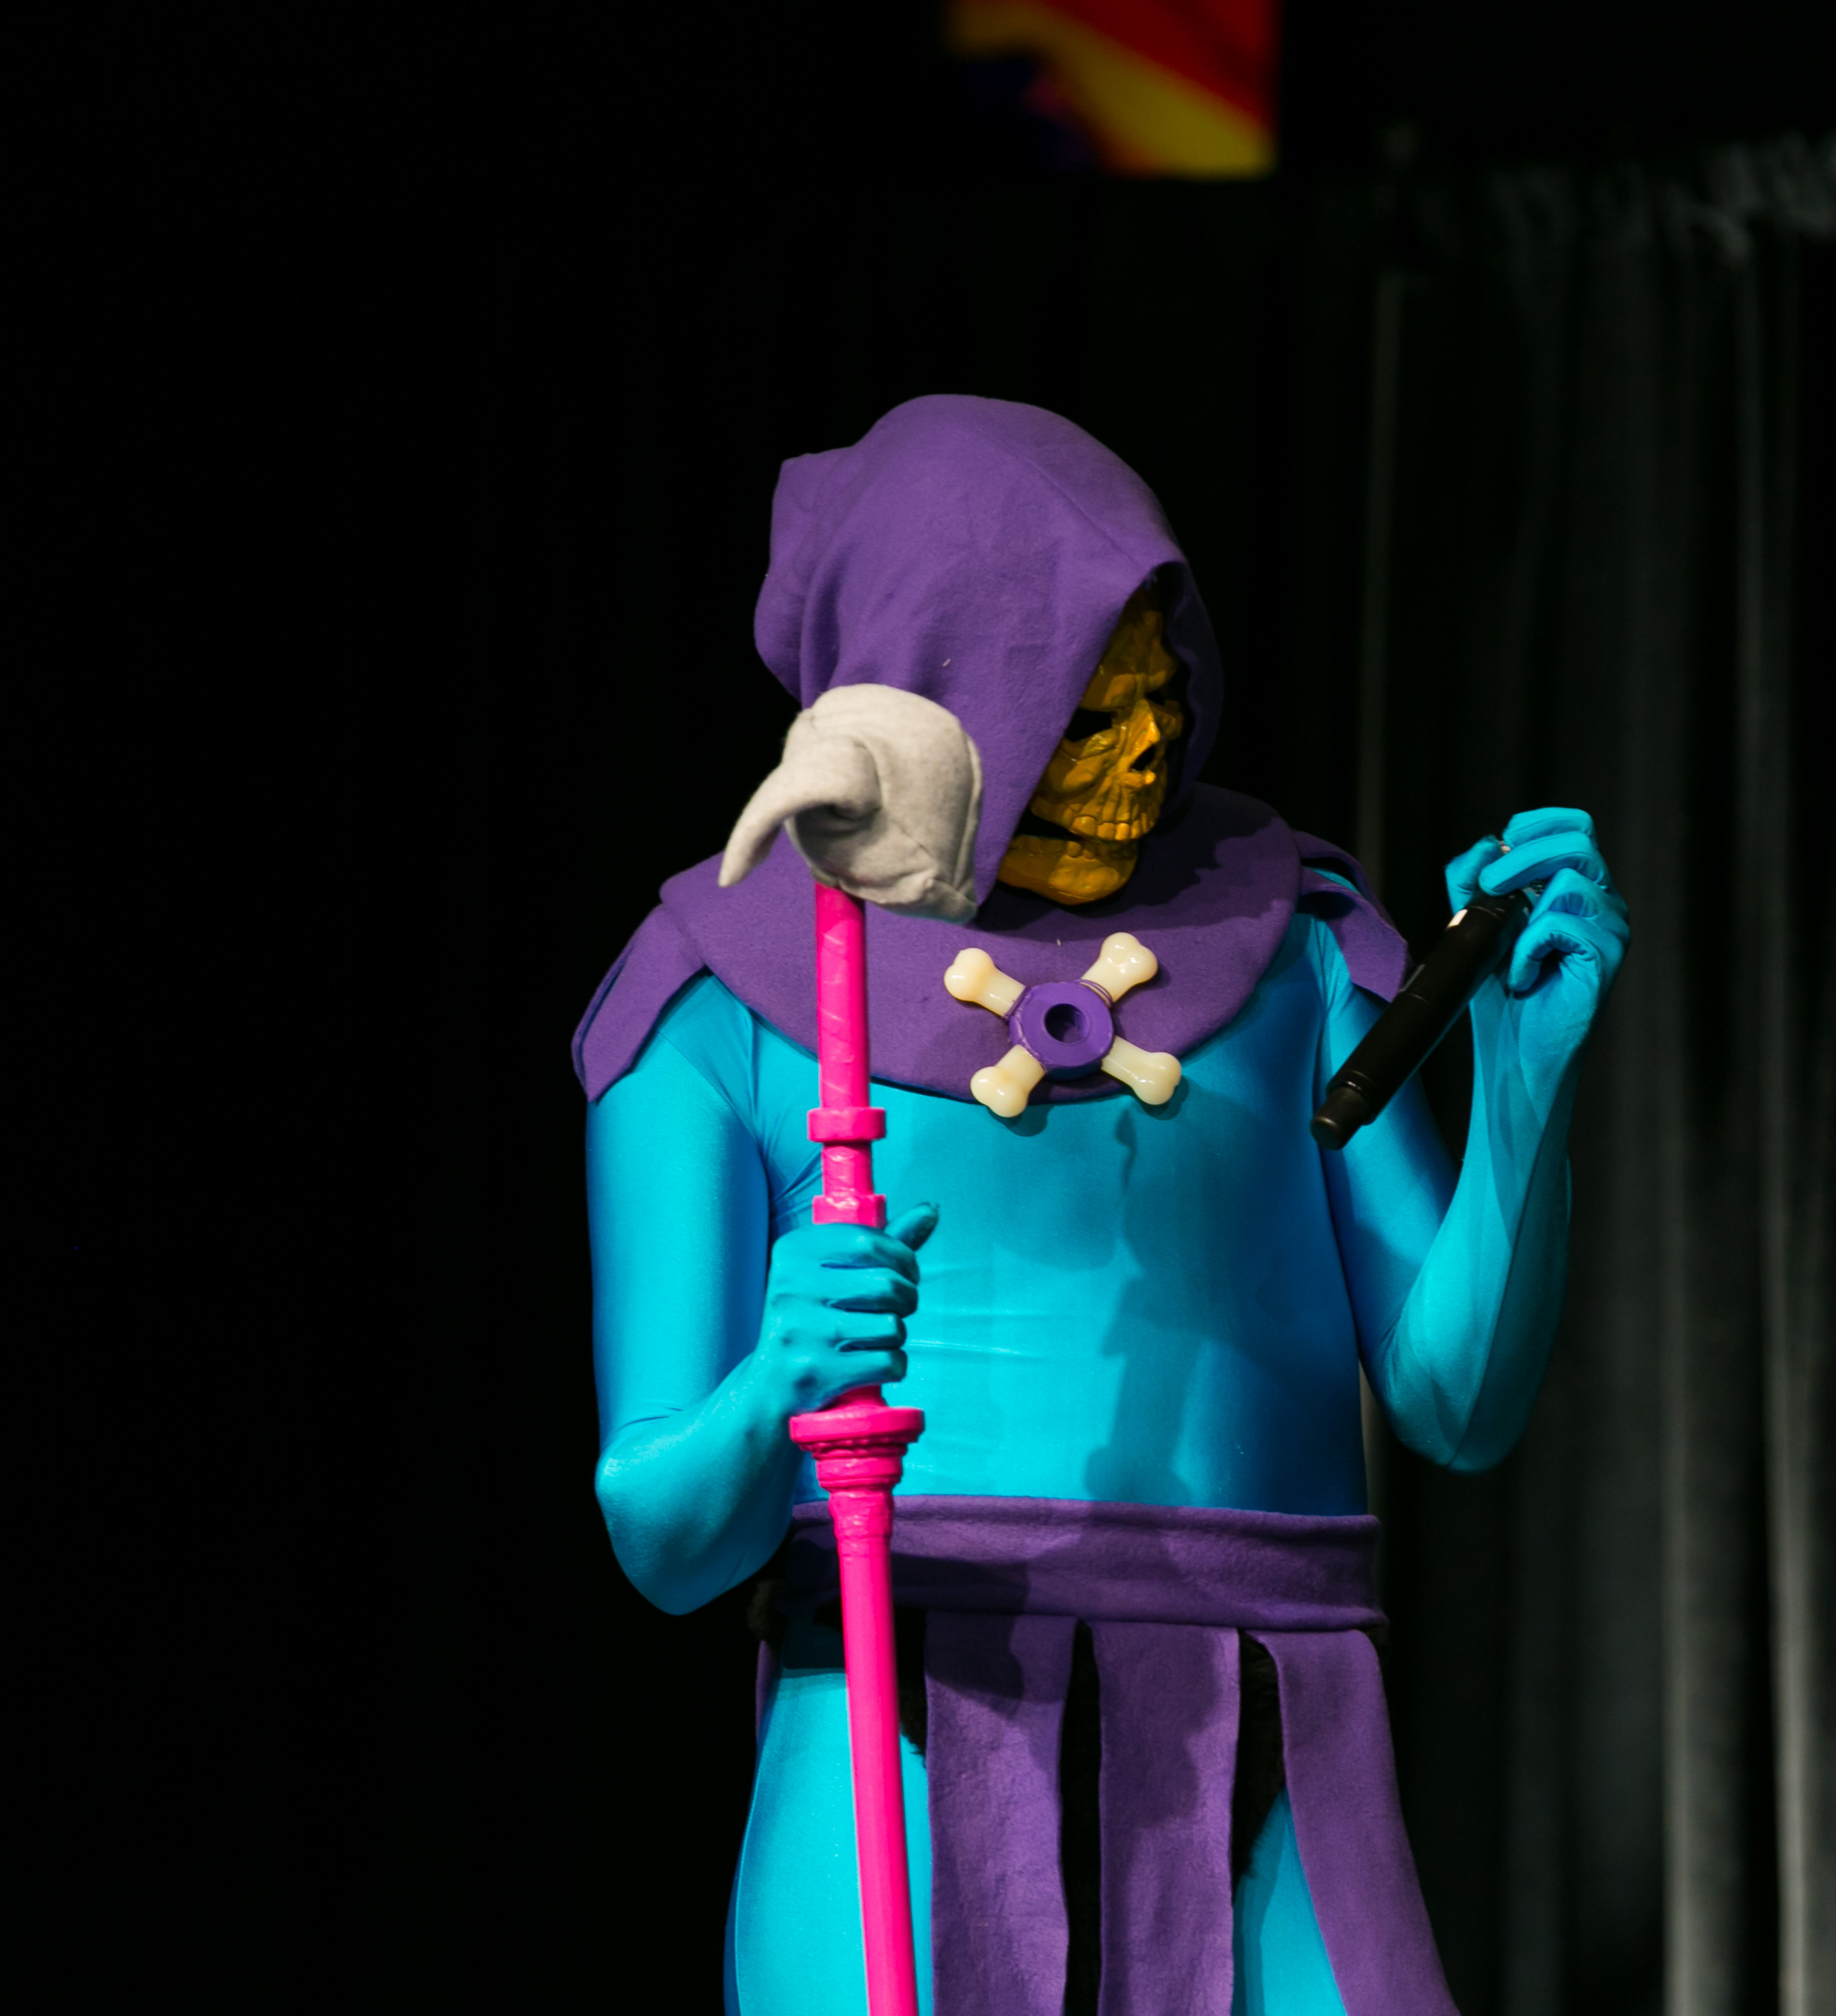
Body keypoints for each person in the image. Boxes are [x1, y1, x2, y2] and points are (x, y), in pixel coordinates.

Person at [574, 396, 1630, 2016]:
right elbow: (663, 1540)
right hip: (896, 1720)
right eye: (1082, 713)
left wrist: (1522, 1080)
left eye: (1161, 694)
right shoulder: (719, 999)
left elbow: (1457, 1402)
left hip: (1280, 1729)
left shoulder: (1293, 945)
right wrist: (773, 1388)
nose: (1144, 756)